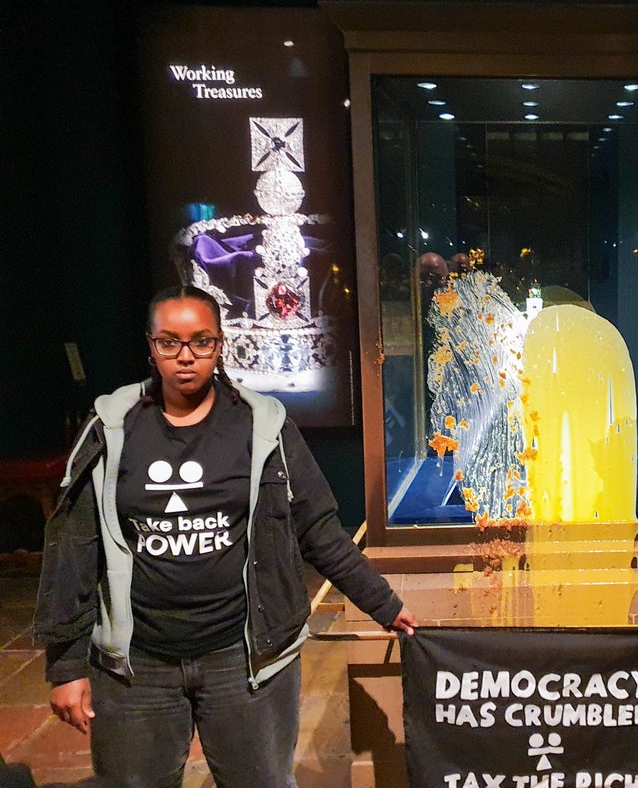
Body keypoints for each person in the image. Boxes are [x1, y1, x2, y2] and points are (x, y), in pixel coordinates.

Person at [33, 285, 418, 788]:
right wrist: (66, 666)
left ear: (220, 345)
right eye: (169, 342)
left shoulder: (263, 425)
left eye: (201, 341)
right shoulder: (112, 426)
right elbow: (74, 547)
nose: (185, 356)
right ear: (150, 346)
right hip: (138, 666)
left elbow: (318, 528)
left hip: (245, 660)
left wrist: (383, 603)